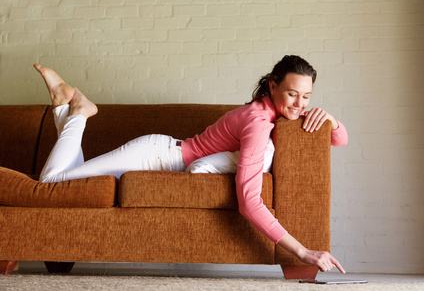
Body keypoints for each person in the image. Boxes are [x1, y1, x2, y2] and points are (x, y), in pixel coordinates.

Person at [34, 55, 348, 273]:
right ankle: (78, 111)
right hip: (154, 156)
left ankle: (65, 106)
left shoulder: (275, 113)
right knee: (50, 184)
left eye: (306, 97)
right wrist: (303, 252)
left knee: (65, 182)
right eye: (293, 94)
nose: (299, 105)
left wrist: (331, 121)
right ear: (273, 87)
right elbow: (249, 202)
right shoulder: (258, 123)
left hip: (160, 154)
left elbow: (340, 140)